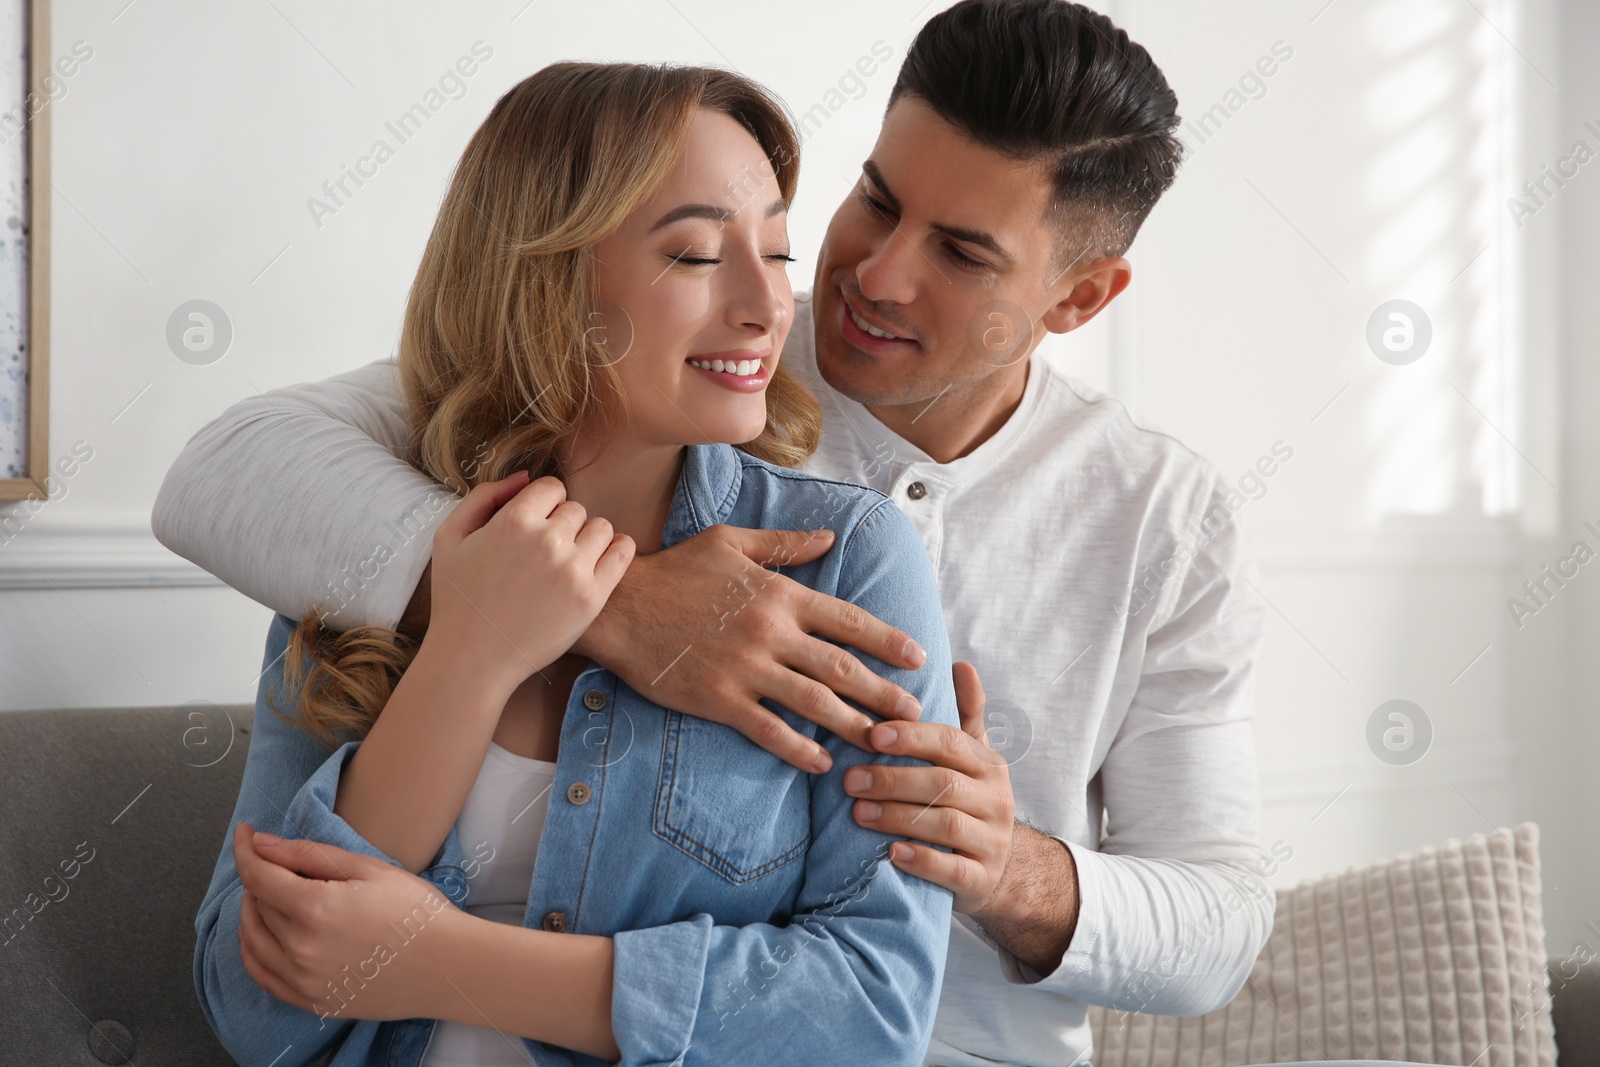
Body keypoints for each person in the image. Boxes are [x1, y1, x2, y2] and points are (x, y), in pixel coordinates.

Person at [158, 3, 1280, 1065]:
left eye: (962, 254)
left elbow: (1218, 919)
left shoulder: (1160, 517)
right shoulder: (676, 370)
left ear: (1079, 299)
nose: (873, 276)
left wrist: (1003, 866)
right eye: (875, 201)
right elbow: (229, 464)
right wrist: (612, 606)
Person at [187, 61, 961, 1067]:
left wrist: (437, 959)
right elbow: (253, 1015)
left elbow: (869, 1013)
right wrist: (470, 648)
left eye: (775, 250)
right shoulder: (362, 537)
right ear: (545, 280)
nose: (769, 305)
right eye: (693, 253)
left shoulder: (845, 563)